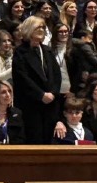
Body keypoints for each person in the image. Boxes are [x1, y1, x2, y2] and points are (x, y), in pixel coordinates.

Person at [12, 15, 61, 144]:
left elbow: (56, 75)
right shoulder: (20, 52)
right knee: (34, 140)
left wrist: (53, 93)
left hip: (50, 105)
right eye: (37, 27)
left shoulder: (47, 50)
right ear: (28, 29)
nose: (41, 29)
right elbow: (22, 78)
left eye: (43, 27)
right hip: (31, 104)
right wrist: (41, 95)